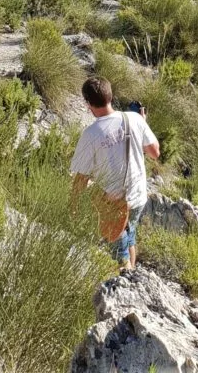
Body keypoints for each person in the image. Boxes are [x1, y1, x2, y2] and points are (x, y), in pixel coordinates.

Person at [71, 76, 160, 271]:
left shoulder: (91, 134)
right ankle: (133, 276)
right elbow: (155, 153)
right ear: (111, 96)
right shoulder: (134, 118)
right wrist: (143, 125)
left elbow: (81, 178)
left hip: (113, 203)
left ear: (87, 104)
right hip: (137, 197)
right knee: (129, 236)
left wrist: (73, 206)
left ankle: (126, 283)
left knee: (119, 256)